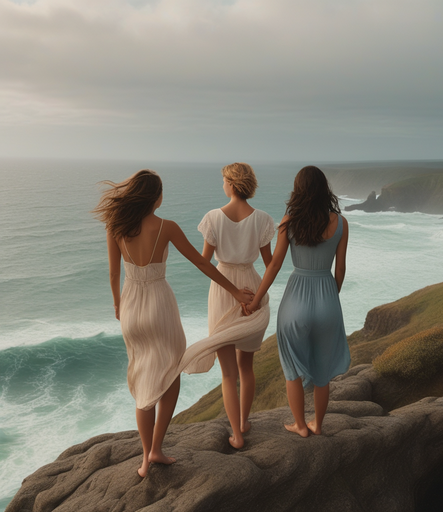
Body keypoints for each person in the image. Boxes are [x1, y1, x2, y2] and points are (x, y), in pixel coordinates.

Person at [93, 169, 253, 477]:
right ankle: (156, 448)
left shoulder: (115, 226)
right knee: (171, 372)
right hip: (159, 304)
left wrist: (117, 303)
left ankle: (143, 460)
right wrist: (234, 291)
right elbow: (202, 262)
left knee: (143, 380)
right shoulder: (166, 227)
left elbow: (114, 274)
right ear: (156, 197)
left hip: (131, 306)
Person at [246, 165, 350, 437]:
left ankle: (300, 425)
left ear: (298, 190)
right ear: (323, 188)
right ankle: (318, 424)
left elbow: (274, 265)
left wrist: (256, 300)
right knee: (322, 370)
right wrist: (330, 296)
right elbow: (340, 270)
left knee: (291, 367)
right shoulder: (340, 222)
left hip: (296, 299)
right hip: (327, 297)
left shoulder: (288, 221)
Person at [194, 162, 275, 449]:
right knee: (246, 367)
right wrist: (254, 297)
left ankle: (237, 435)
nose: (223, 185)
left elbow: (204, 263)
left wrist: (233, 292)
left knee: (228, 372)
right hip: (252, 287)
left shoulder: (213, 218)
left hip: (223, 287)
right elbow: (270, 265)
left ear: (231, 183)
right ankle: (243, 422)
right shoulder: (263, 219)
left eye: (224, 180)